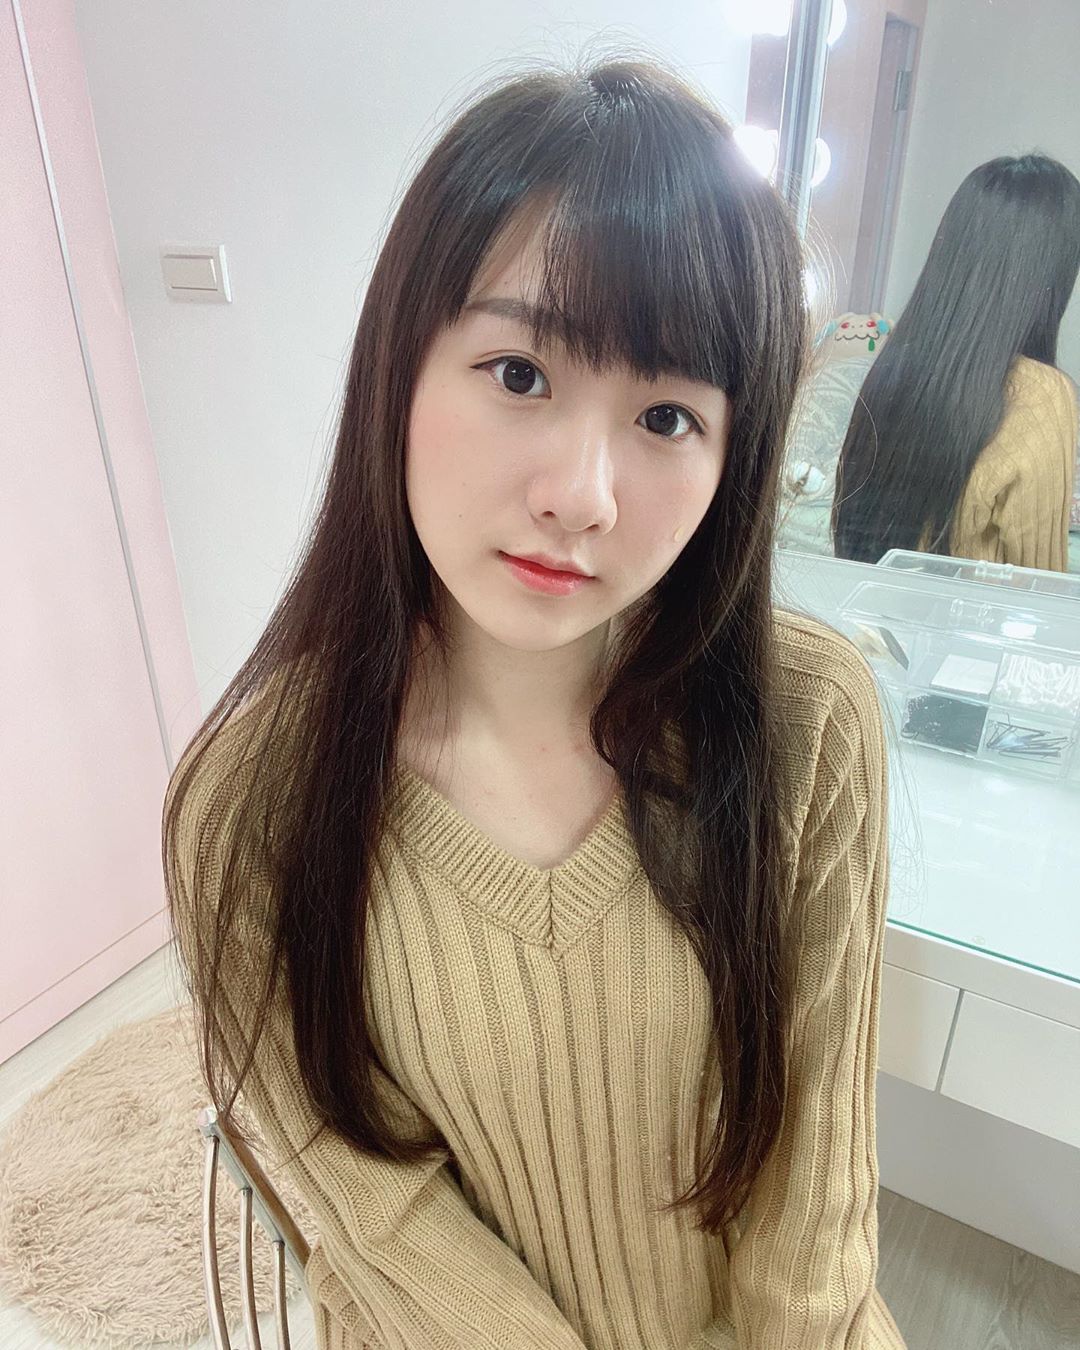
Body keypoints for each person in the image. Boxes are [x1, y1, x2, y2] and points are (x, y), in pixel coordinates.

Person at [163, 52, 906, 1349]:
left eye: (666, 416)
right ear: (400, 368)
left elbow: (813, 1209)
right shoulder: (251, 801)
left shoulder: (809, 723)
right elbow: (374, 1214)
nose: (582, 495)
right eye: (519, 374)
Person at [832, 153, 1080, 571]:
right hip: (969, 614)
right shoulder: (1043, 394)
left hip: (872, 607)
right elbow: (1038, 584)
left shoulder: (892, 367)